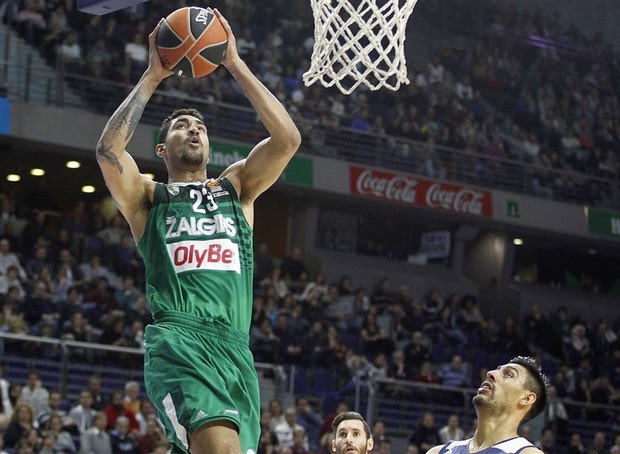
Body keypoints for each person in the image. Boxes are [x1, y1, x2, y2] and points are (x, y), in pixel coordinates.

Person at [94, 8, 301, 454]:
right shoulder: (148, 197)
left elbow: (287, 140)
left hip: (235, 349)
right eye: (182, 126)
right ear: (162, 148)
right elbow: (108, 151)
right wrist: (152, 76)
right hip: (180, 339)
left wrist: (234, 63)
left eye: (201, 127)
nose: (194, 130)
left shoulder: (237, 187)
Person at [425, 356, 549, 454]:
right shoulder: (438, 452)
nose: (490, 373)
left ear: (527, 398)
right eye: (497, 370)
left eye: (508, 374)